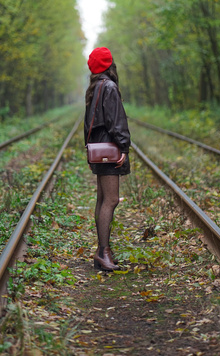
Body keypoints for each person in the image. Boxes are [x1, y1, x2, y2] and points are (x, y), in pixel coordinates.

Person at [84, 47, 131, 271]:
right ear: (110, 65)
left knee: (102, 199)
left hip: (99, 148)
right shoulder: (110, 87)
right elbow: (116, 121)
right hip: (109, 150)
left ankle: (102, 251)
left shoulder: (95, 87)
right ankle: (103, 252)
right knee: (111, 200)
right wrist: (124, 146)